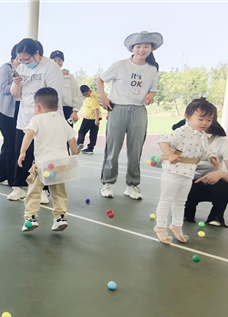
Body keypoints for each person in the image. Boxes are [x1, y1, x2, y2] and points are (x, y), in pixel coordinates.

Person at [97, 31, 163, 200]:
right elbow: (101, 79)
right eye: (138, 46)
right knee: (113, 148)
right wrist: (103, 98)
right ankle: (107, 183)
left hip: (139, 111)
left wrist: (151, 95)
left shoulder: (152, 69)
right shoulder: (120, 65)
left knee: (135, 151)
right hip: (118, 109)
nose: (142, 50)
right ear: (132, 48)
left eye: (146, 47)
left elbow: (153, 89)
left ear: (151, 49)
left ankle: (132, 185)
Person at [154, 99, 219, 245]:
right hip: (173, 173)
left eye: (209, 120)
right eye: (200, 119)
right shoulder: (181, 132)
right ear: (187, 117)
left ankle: (176, 226)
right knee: (166, 200)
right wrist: (170, 155)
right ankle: (160, 227)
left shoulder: (202, 136)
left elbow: (204, 152)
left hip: (188, 174)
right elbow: (163, 141)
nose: (204, 123)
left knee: (181, 202)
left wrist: (212, 157)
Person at [9, 38, 63, 202]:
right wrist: (16, 83)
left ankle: (42, 190)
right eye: (21, 59)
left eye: (26, 58)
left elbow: (54, 95)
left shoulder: (50, 67)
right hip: (25, 118)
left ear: (36, 53)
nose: (24, 62)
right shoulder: (22, 68)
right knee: (22, 152)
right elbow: (16, 95)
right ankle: (18, 187)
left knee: (42, 156)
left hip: (45, 119)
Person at [18, 88, 77, 232]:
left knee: (34, 190)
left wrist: (22, 152)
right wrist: (74, 156)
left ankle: (31, 218)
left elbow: (29, 134)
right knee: (59, 192)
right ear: (57, 107)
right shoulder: (62, 120)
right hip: (61, 164)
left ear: (37, 107)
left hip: (43, 164)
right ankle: (60, 217)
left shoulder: (37, 119)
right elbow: (72, 140)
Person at [181, 120, 228, 227]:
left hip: (211, 186)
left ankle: (216, 216)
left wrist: (221, 174)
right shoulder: (183, 139)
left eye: (206, 119)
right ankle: (186, 211)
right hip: (190, 184)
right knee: (179, 182)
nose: (203, 123)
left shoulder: (222, 143)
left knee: (227, 187)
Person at [0, 44, 19, 186]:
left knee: (8, 143)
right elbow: (3, 88)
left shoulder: (24, 69)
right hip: (4, 110)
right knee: (12, 143)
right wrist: (17, 84)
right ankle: (11, 178)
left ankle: (0, 175)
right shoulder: (6, 68)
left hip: (17, 111)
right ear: (16, 54)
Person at [50, 50, 83, 126]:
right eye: (54, 60)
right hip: (51, 110)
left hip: (67, 110)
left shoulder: (69, 77)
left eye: (60, 60)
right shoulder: (46, 76)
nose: (57, 63)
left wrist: (75, 111)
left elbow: (77, 94)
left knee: (67, 136)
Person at [77, 85, 101, 154]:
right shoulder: (93, 93)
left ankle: (79, 143)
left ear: (88, 91)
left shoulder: (92, 97)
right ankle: (90, 148)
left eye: (86, 94)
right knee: (93, 133)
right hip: (96, 117)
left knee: (82, 131)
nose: (85, 96)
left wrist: (96, 120)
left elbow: (96, 109)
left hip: (90, 117)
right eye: (84, 95)